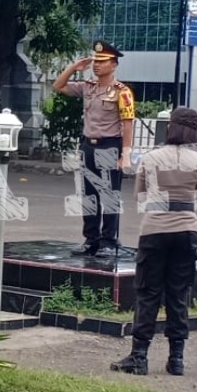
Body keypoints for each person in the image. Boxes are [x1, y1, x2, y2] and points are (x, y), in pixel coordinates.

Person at [111, 107, 197, 377]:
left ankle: (139, 356)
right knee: (179, 295)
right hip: (187, 231)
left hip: (154, 230)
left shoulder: (151, 158)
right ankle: (176, 359)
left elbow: (139, 195)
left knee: (148, 292)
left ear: (170, 128)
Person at [52, 40, 136, 257]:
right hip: (88, 145)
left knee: (109, 196)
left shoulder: (122, 92)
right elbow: (58, 86)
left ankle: (108, 240)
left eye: (103, 61)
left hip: (110, 146)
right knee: (89, 195)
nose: (97, 65)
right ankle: (91, 240)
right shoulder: (87, 87)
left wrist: (126, 154)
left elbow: (128, 123)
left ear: (114, 64)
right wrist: (73, 67)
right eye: (95, 61)